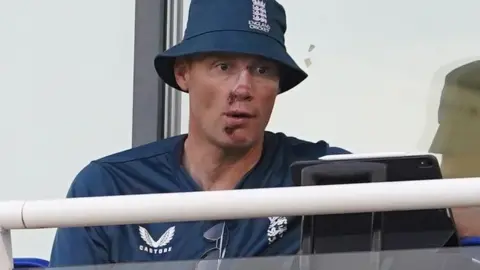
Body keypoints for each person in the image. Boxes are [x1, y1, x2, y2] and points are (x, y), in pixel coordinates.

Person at [49, 0, 350, 267]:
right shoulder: (109, 188)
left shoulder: (327, 180)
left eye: (262, 70)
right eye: (223, 66)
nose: (243, 88)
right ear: (183, 73)